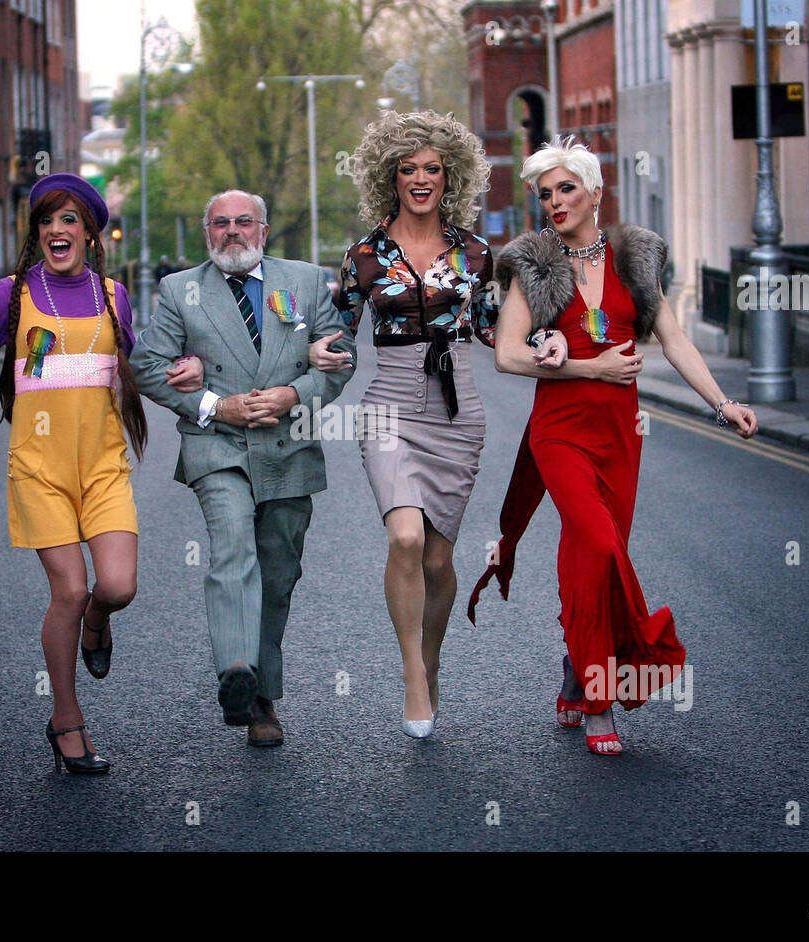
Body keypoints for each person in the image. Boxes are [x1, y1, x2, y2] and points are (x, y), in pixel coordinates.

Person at [0, 173, 203, 774]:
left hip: (104, 467)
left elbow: (138, 363)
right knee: (67, 587)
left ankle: (96, 622)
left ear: (90, 231)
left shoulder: (115, 296)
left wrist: (188, 374)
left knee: (115, 589)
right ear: (36, 234)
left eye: (68, 221)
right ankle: (66, 720)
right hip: (39, 470)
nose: (57, 231)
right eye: (46, 221)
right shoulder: (10, 295)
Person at [469, 136, 758, 756]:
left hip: (618, 438)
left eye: (566, 188)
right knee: (598, 544)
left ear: (595, 191)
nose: (554, 202)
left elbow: (674, 340)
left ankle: (578, 668)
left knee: (597, 557)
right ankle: (600, 704)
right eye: (545, 194)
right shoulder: (534, 264)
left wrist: (722, 403)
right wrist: (586, 368)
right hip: (561, 431)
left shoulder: (636, 260)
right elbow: (508, 354)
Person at [129, 189, 355, 747]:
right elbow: (146, 366)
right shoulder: (179, 291)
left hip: (288, 443)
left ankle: (261, 696)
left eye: (244, 222)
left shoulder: (303, 281)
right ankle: (235, 669)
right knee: (233, 543)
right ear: (208, 233)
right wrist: (212, 404)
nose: (233, 232)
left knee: (278, 574)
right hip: (219, 443)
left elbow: (339, 354)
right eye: (221, 223)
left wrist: (293, 393)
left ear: (264, 229)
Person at [321, 111, 497, 739]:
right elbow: (337, 327)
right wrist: (323, 348)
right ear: (388, 177)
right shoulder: (365, 254)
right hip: (389, 404)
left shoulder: (475, 251)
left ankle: (434, 657)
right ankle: (412, 677)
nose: (420, 179)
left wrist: (552, 343)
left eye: (432, 168)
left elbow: (500, 329)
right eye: (407, 169)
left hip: (458, 409)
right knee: (405, 539)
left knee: (441, 559)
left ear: (450, 176)